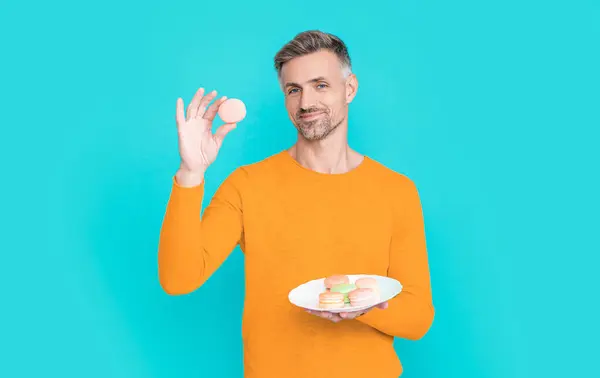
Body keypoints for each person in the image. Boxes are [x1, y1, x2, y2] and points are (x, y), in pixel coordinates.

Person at [158, 30, 434, 378]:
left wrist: (357, 306)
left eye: (320, 85)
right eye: (293, 89)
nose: (305, 103)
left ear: (349, 89)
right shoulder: (247, 185)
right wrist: (190, 172)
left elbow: (418, 317)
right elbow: (178, 278)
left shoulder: (397, 191)